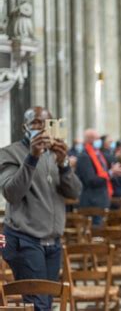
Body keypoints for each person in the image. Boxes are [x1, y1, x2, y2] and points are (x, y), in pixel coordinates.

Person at [0, 107, 82, 310]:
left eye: (46, 123)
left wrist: (63, 164)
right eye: (36, 122)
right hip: (25, 239)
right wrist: (32, 157)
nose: (42, 127)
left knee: (46, 301)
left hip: (52, 242)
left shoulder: (54, 155)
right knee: (38, 304)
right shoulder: (9, 153)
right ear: (25, 127)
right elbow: (11, 193)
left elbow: (74, 192)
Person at [75, 129, 121, 225]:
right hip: (92, 202)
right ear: (90, 139)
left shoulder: (98, 154)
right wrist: (110, 173)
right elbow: (91, 180)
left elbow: (104, 173)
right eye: (97, 138)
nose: (99, 141)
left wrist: (114, 173)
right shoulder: (84, 156)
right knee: (95, 233)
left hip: (101, 200)